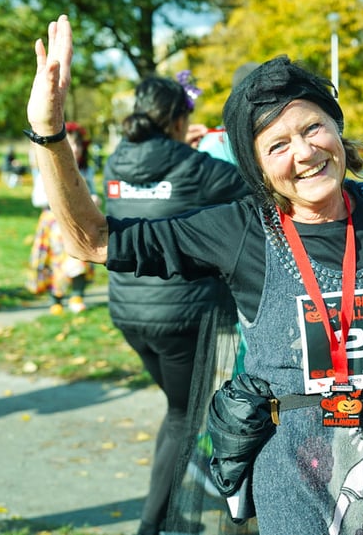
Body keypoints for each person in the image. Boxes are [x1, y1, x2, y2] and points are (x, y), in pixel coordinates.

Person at [25, 15, 363, 535]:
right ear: (259, 166)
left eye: (313, 127)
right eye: (278, 145)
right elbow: (93, 239)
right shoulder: (240, 231)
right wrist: (50, 136)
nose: (305, 152)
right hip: (300, 478)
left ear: (336, 130)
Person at [103, 75, 250, 535]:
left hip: (128, 311)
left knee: (176, 410)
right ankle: (153, 523)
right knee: (185, 417)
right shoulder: (198, 166)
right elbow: (258, 187)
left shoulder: (115, 162)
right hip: (182, 317)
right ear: (180, 118)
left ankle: (170, 506)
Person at [26, 121, 98, 314]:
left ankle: (77, 295)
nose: (75, 149)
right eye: (70, 144)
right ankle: (56, 297)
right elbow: (39, 197)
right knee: (55, 260)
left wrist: (93, 200)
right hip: (55, 223)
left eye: (78, 144)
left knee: (81, 257)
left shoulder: (85, 171)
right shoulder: (49, 170)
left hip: (79, 222)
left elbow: (93, 193)